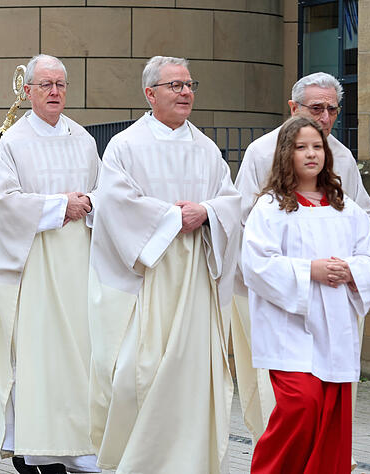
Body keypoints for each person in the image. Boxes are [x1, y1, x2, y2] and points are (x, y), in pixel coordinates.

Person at [87, 56, 240, 473]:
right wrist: (175, 218)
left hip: (194, 280)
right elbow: (116, 205)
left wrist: (206, 211)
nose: (186, 92)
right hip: (147, 277)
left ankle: (186, 462)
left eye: (190, 84)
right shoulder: (126, 145)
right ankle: (137, 460)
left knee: (192, 375)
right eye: (175, 86)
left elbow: (231, 201)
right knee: (135, 374)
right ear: (149, 93)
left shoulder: (206, 148)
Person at [232, 72, 370, 465]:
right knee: (301, 406)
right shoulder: (271, 205)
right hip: (289, 324)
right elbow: (256, 260)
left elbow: (369, 256)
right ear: (287, 152)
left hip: (334, 322)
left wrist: (349, 270)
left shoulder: (345, 207)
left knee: (331, 418)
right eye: (302, 146)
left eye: (318, 147)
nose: (313, 151)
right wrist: (308, 271)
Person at [0, 54, 101, 474]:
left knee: (81, 353)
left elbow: (105, 191)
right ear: (28, 91)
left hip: (80, 263)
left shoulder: (84, 140)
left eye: (61, 85)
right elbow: (2, 202)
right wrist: (59, 206)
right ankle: (35, 446)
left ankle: (81, 447)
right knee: (39, 356)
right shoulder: (14, 141)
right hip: (34, 265)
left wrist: (89, 203)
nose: (55, 92)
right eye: (46, 85)